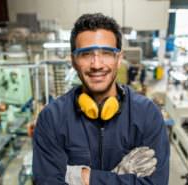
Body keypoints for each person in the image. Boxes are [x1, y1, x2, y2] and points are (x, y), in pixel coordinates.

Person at [33, 13, 170, 185]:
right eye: (86, 54)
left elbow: (156, 183)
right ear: (74, 61)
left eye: (106, 53)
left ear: (119, 59)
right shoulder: (52, 118)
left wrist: (83, 177)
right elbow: (48, 182)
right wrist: (120, 177)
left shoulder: (147, 115)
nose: (97, 64)